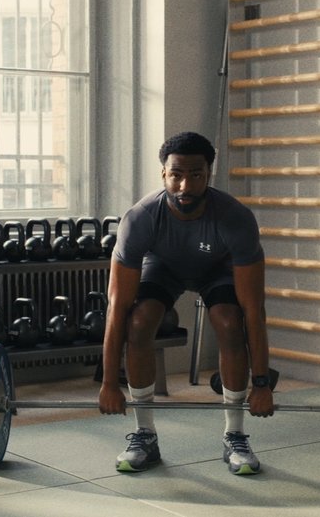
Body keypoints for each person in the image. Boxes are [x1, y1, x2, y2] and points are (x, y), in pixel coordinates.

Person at [98, 131, 275, 475]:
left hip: (217, 269)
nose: (184, 186)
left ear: (209, 174)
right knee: (139, 321)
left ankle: (235, 435)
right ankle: (144, 434)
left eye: (195, 175)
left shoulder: (235, 219)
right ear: (163, 174)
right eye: (176, 175)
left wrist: (263, 383)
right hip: (164, 267)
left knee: (229, 321)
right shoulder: (140, 219)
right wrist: (108, 383)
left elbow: (255, 309)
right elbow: (117, 306)